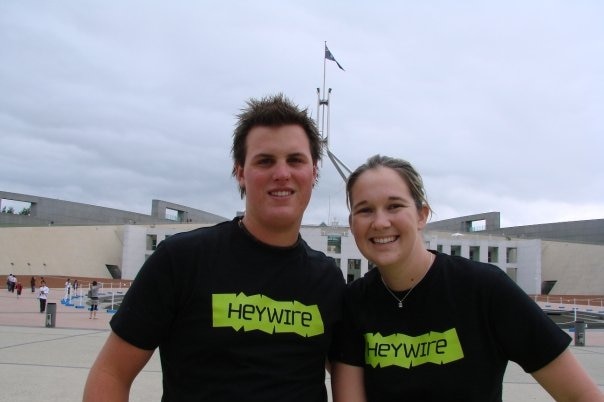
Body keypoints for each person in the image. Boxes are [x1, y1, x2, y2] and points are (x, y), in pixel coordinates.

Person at [83, 94, 346, 401]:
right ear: (240, 172)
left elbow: (351, 376)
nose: (282, 173)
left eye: (295, 160)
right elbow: (111, 373)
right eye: (265, 160)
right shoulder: (181, 260)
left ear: (314, 171)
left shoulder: (328, 279)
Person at [331, 155, 603, 402]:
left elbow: (580, 394)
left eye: (394, 206)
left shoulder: (485, 289)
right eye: (365, 210)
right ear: (352, 223)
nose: (380, 222)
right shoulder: (355, 302)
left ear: (421, 215)